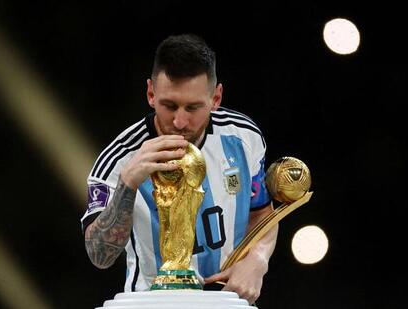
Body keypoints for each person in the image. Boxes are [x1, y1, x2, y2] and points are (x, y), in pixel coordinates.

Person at [81, 33, 278, 305]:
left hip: (226, 302)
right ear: (151, 94)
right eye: (169, 105)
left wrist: (258, 258)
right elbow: (99, 255)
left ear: (216, 97)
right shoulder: (117, 161)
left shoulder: (244, 138)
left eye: (193, 107)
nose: (180, 121)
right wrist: (128, 183)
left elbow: (262, 214)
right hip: (151, 303)